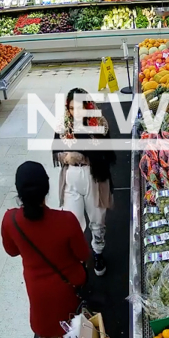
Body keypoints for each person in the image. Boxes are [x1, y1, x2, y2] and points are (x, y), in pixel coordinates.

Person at [1, 161, 89, 338]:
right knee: (75, 332)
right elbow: (83, 254)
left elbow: (12, 251)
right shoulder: (67, 221)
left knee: (47, 331)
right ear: (47, 187)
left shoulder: (10, 220)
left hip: (38, 293)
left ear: (19, 191)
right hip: (69, 289)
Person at [53, 88, 115, 276]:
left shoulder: (99, 124)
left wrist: (84, 154)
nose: (75, 113)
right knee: (73, 221)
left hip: (94, 177)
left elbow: (107, 152)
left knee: (97, 219)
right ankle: (79, 257)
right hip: (71, 177)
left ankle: (97, 252)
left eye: (80, 108)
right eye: (72, 108)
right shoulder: (64, 126)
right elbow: (56, 150)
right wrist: (66, 157)